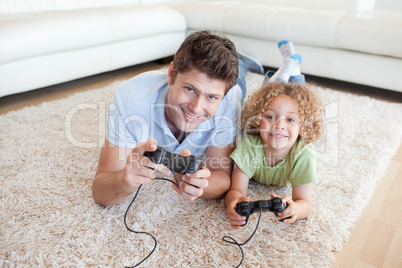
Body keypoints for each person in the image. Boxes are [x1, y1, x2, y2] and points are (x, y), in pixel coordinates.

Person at [92, 30, 264, 206]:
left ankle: (241, 62)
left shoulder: (229, 98)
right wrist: (124, 180)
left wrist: (201, 186)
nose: (196, 108)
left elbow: (221, 175)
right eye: (190, 89)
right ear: (171, 73)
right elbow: (100, 191)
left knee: (241, 84)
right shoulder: (129, 99)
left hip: (234, 93)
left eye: (211, 97)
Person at [225, 41, 325, 228]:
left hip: (298, 133)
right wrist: (234, 203)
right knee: (265, 95)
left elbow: (304, 202)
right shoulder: (250, 145)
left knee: (296, 95)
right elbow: (236, 189)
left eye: (290, 120)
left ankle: (291, 71)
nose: (278, 125)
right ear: (258, 120)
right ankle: (286, 72)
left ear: (302, 128)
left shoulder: (304, 154)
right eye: (270, 117)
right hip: (267, 120)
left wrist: (295, 210)